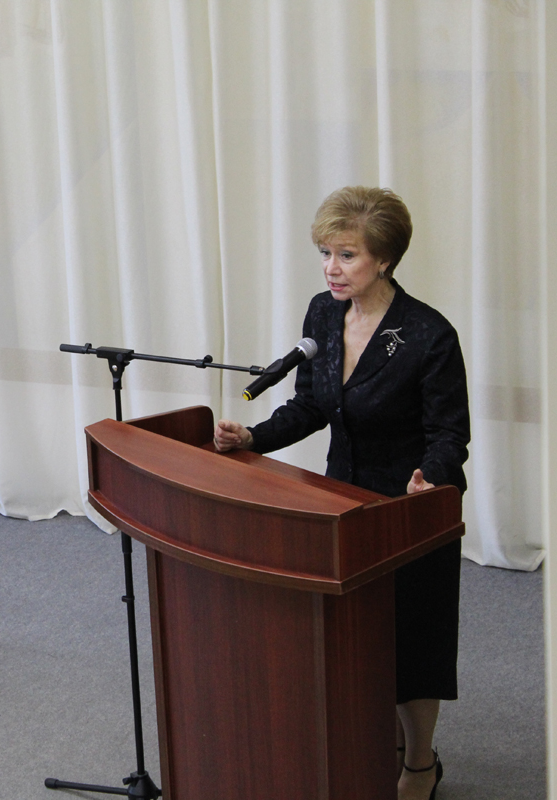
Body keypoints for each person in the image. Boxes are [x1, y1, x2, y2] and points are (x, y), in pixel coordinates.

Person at [214, 186, 470, 800]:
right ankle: (378, 743)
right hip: (342, 503)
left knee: (412, 644)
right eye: (326, 253)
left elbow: (449, 433)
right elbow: (311, 405)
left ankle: (420, 763)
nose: (331, 268)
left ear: (385, 259)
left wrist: (429, 477)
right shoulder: (323, 315)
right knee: (358, 636)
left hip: (408, 508)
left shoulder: (428, 334)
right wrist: (253, 436)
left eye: (347, 255)